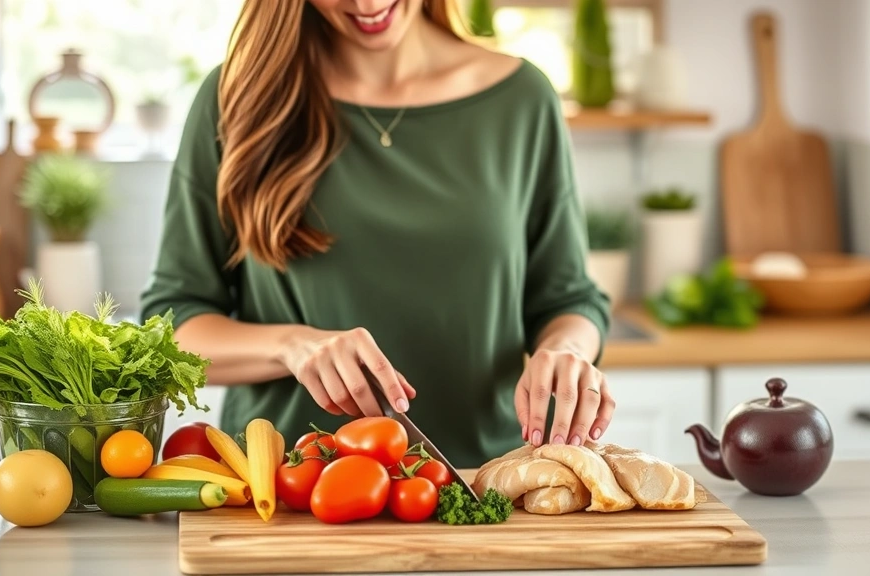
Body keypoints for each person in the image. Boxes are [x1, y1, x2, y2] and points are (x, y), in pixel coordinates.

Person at [140, 0, 615, 468]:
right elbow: (174, 324)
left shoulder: (521, 99)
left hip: (486, 484)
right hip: (293, 492)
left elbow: (568, 299)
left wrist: (564, 352)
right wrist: (292, 346)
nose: (366, 4)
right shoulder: (237, 96)